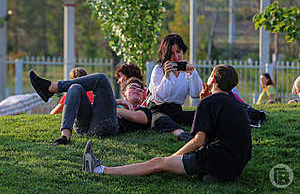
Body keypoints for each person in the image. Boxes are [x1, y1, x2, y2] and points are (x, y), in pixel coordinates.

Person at [82, 64, 252, 183]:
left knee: (159, 163)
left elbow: (198, 141)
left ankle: (100, 169)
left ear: (213, 79)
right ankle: (215, 177)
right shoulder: (238, 105)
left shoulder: (209, 103)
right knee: (195, 162)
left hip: (218, 160)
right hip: (237, 165)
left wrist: (172, 158)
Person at [29, 71, 151, 146]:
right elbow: (94, 109)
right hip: (85, 127)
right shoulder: (115, 102)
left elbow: (138, 118)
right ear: (124, 92)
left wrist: (113, 105)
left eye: (141, 89)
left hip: (106, 127)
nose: (138, 90)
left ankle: (51, 87)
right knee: (75, 87)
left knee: (102, 79)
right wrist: (114, 102)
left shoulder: (144, 110)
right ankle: (65, 136)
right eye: (133, 87)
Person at [146, 33, 202, 141]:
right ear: (165, 54)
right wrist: (167, 76)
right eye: (172, 53)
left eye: (178, 52)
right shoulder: (158, 70)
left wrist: (192, 73)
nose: (176, 57)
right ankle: (179, 132)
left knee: (199, 114)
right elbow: (160, 97)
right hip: (157, 109)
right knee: (161, 119)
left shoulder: (186, 70)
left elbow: (196, 93)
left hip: (176, 110)